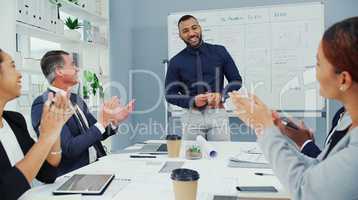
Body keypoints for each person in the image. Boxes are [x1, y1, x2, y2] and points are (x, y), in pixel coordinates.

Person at [229, 16, 358, 199]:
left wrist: (265, 128)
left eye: (318, 64)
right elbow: (317, 170)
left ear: (343, 79)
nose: (314, 72)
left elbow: (305, 190)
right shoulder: (346, 120)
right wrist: (269, 129)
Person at [31, 50, 134, 176]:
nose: (77, 69)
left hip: (97, 166)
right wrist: (102, 123)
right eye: (73, 65)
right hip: (73, 176)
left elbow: (97, 134)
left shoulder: (76, 99)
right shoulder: (43, 104)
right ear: (59, 71)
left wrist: (113, 122)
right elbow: (69, 148)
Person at [0, 49, 73, 200]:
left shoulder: (15, 121)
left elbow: (48, 173)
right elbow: (5, 192)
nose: (20, 74)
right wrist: (46, 137)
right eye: (12, 66)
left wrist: (55, 131)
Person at [165, 15, 242, 141]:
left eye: (194, 28)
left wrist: (221, 95)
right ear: (180, 35)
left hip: (217, 114)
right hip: (191, 117)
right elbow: (170, 94)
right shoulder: (175, 61)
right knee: (192, 159)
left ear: (200, 29)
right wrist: (192, 100)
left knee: (220, 157)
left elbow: (236, 80)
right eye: (185, 31)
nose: (191, 33)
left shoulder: (220, 52)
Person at [272, 106, 351, 158]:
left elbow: (331, 172)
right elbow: (327, 160)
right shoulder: (341, 113)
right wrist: (308, 143)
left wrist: (304, 142)